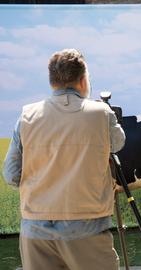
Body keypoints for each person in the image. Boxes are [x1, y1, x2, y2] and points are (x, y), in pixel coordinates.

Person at [2, 48, 125, 270]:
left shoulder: (27, 116)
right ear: (83, 80)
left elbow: (11, 175)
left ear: (52, 82)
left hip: (35, 232)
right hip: (88, 229)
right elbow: (118, 143)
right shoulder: (102, 113)